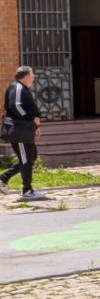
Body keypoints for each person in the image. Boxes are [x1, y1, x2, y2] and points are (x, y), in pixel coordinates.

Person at [1, 66, 44, 201]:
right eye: (32, 75)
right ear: (26, 76)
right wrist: (31, 120)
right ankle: (27, 190)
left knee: (31, 156)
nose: (33, 78)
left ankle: (4, 178)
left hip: (25, 130)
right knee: (26, 159)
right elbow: (16, 106)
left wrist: (34, 126)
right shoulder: (17, 87)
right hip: (19, 131)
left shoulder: (22, 88)